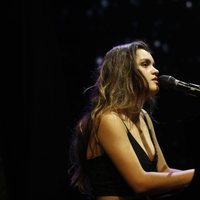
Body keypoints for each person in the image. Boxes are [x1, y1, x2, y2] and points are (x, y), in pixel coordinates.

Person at [68, 40, 198, 200]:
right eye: (145, 64)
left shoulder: (143, 117)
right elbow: (140, 182)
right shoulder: (109, 118)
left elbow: (164, 172)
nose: (156, 70)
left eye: (153, 64)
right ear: (124, 72)